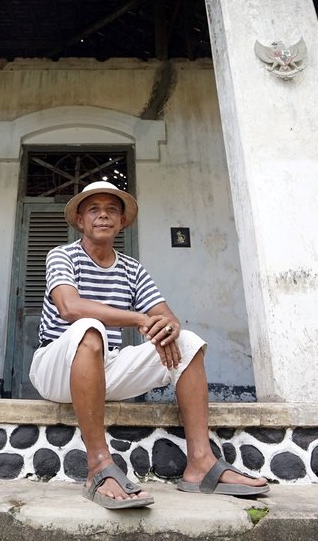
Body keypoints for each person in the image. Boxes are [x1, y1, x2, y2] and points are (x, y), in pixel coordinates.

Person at [29, 181, 269, 510]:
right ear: (80, 221)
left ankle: (201, 463)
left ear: (123, 222)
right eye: (94, 210)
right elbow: (70, 307)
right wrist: (139, 319)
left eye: (112, 210)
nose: (103, 216)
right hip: (55, 366)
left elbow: (167, 317)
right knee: (88, 327)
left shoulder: (133, 269)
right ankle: (99, 465)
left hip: (103, 369)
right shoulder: (62, 255)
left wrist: (165, 328)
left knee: (187, 342)